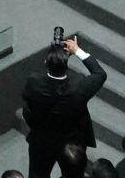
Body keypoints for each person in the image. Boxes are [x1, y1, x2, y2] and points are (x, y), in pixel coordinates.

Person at [22, 36, 105, 178]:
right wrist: (77, 50)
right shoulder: (79, 86)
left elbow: (27, 103)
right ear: (66, 66)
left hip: (42, 140)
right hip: (72, 143)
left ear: (45, 63)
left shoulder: (34, 82)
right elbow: (100, 74)